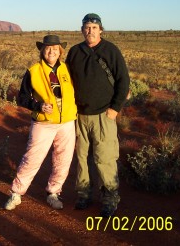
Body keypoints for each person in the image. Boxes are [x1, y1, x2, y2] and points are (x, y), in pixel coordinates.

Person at [65, 13, 130, 217]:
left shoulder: (110, 50)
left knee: (105, 157)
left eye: (94, 27)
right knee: (82, 157)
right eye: (87, 27)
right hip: (80, 115)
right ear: (82, 29)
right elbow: (67, 81)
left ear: (100, 29)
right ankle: (83, 194)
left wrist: (115, 108)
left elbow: (123, 80)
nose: (90, 31)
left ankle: (110, 197)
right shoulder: (75, 52)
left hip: (104, 114)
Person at [4, 35, 77, 211]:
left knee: (63, 160)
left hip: (67, 122)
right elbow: (21, 98)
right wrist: (37, 106)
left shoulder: (68, 69)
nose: (51, 51)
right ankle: (16, 193)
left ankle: (53, 192)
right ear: (42, 50)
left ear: (60, 51)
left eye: (55, 48)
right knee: (32, 158)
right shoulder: (33, 71)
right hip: (43, 123)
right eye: (47, 48)